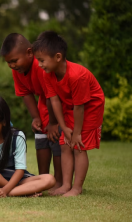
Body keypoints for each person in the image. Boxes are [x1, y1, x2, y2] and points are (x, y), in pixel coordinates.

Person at [32, 31, 105, 197]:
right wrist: (63, 127)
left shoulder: (77, 76)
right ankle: (66, 185)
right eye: (38, 60)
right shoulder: (47, 74)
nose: (39, 65)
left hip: (90, 107)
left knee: (78, 145)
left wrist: (77, 133)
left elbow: (80, 107)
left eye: (42, 60)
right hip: (71, 105)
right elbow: (55, 100)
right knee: (65, 143)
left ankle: (77, 188)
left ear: (58, 57)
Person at [0, 33, 62, 191]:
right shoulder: (18, 71)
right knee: (41, 138)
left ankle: (59, 182)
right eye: (9, 62)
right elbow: (25, 94)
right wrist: (36, 118)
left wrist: (53, 123)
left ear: (29, 53)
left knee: (56, 140)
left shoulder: (41, 66)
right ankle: (42, 179)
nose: (12, 65)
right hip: (44, 103)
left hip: (58, 105)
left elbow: (51, 96)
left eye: (14, 61)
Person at [0, 96, 55, 197]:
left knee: (49, 179)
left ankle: (4, 192)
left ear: (4, 122)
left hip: (17, 178)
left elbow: (20, 170)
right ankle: (22, 192)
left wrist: (5, 190)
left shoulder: (17, 137)